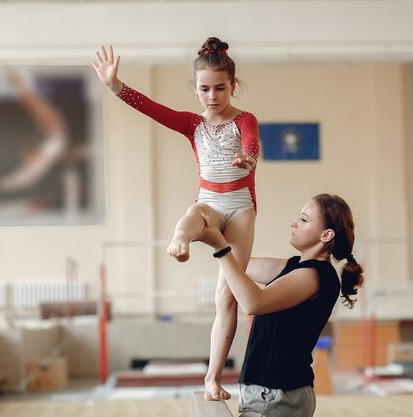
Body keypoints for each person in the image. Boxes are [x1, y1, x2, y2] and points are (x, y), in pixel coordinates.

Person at [92, 38, 259, 400]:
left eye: (219, 88)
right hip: (210, 202)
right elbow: (152, 108)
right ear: (195, 88)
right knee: (194, 213)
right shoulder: (191, 124)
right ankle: (180, 238)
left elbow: (251, 141)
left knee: (226, 297)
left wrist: (249, 158)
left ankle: (212, 379)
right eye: (204, 89)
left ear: (233, 85)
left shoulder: (245, 119)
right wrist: (114, 85)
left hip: (241, 207)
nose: (212, 96)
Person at [197, 193, 364, 416]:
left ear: (326, 235)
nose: (293, 222)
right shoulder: (294, 266)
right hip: (267, 392)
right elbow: (240, 266)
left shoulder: (316, 275)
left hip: (277, 395)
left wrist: (221, 247)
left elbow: (253, 302)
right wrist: (220, 223)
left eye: (303, 220)